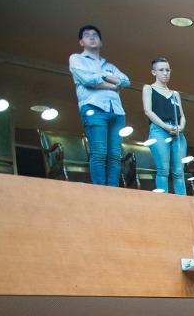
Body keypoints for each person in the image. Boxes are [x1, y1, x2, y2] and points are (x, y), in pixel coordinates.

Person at [68, 25, 130, 186]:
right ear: (81, 42)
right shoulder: (77, 59)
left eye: (95, 35)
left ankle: (113, 190)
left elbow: (125, 81)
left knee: (115, 155)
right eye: (87, 35)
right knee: (99, 152)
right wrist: (110, 80)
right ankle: (100, 190)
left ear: (101, 42)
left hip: (116, 111)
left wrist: (102, 77)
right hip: (94, 108)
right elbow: (89, 80)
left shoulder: (109, 65)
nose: (92, 37)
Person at [140, 56, 186, 194]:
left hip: (177, 131)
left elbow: (182, 115)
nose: (165, 73)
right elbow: (148, 111)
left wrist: (181, 127)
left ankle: (182, 201)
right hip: (159, 129)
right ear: (154, 72)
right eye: (161, 70)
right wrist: (165, 126)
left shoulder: (175, 93)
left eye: (167, 70)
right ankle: (163, 200)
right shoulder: (149, 88)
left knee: (179, 171)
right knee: (163, 169)